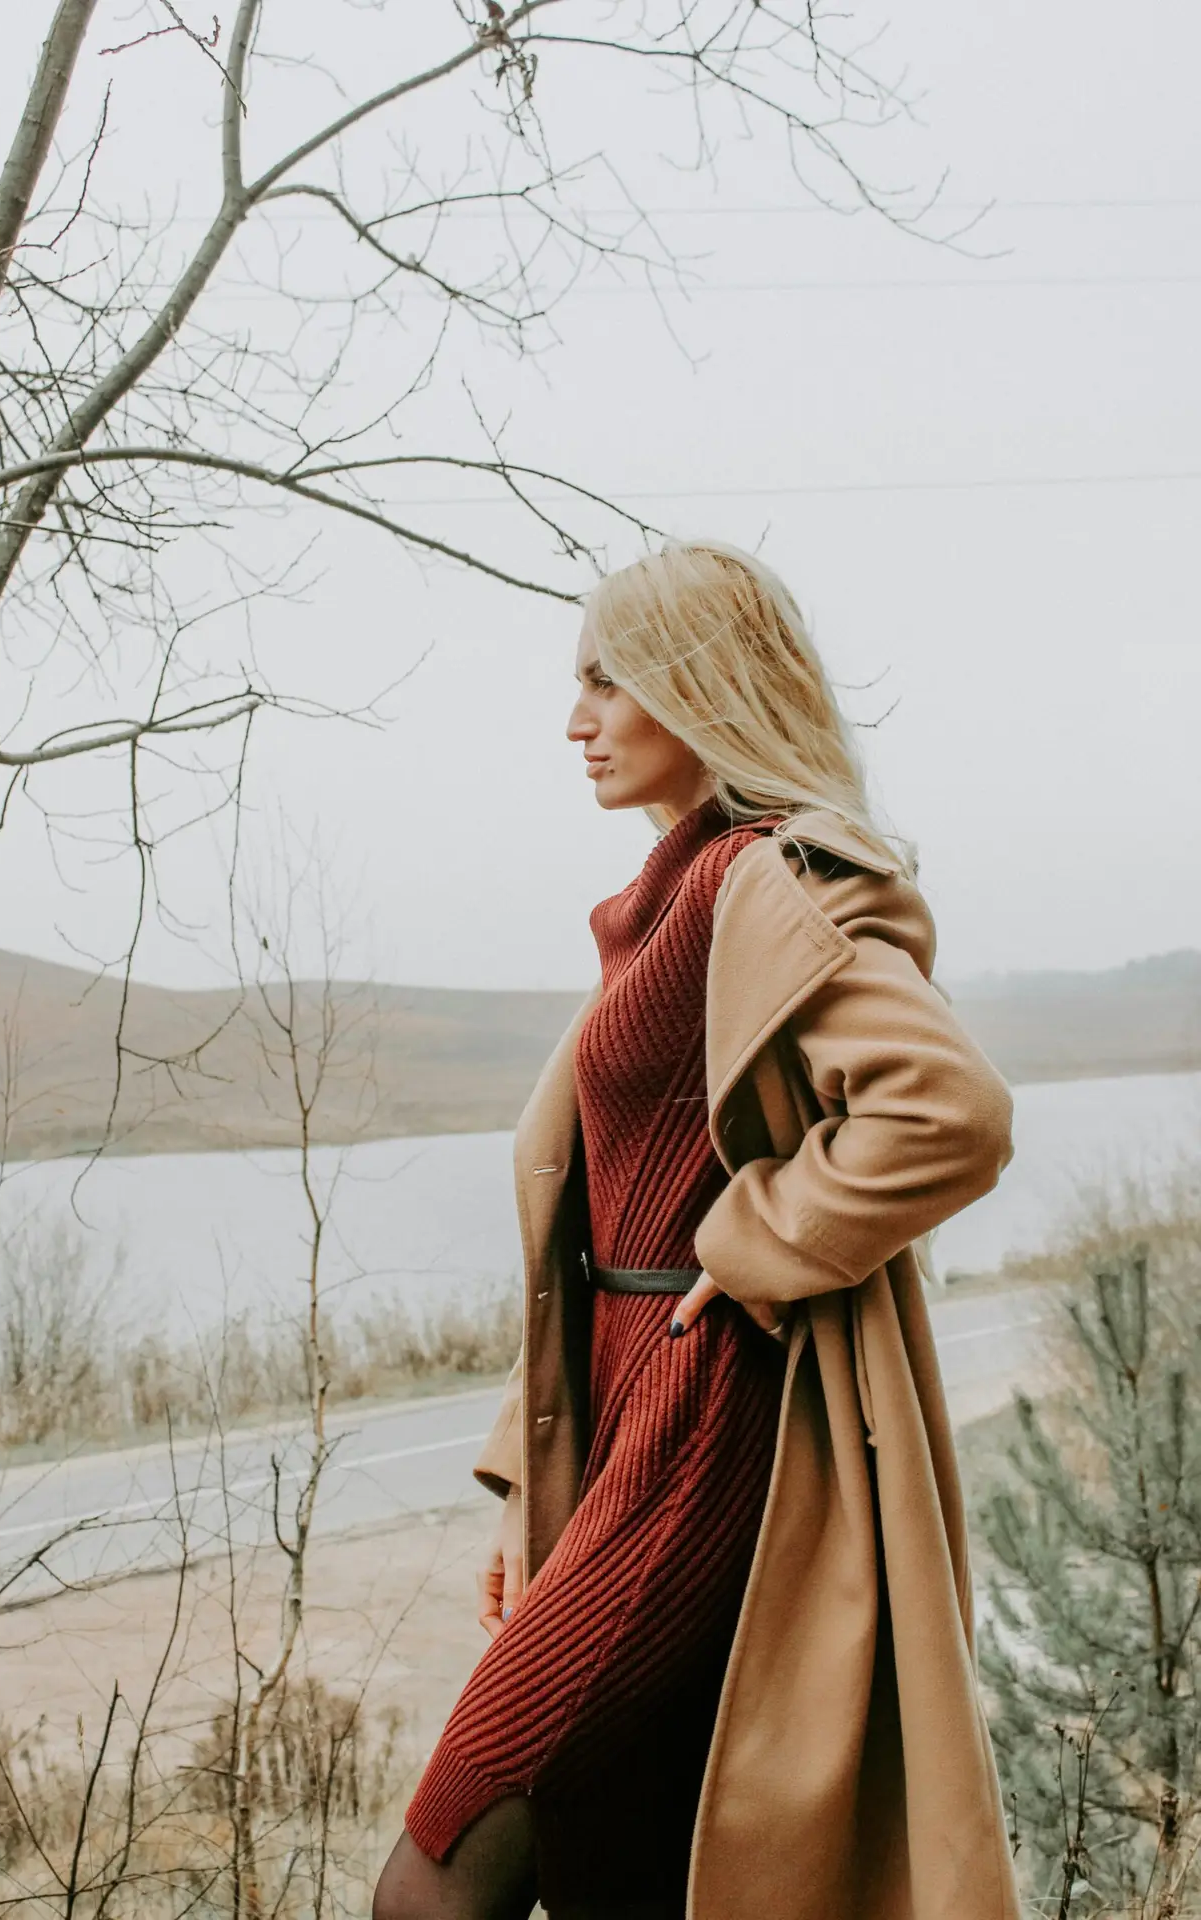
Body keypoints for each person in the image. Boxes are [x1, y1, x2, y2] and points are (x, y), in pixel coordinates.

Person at [373, 541, 1021, 1920]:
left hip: (702, 1434)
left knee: (434, 1885)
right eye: (578, 684)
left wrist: (752, 1244)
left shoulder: (759, 880)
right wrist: (521, 1469)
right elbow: (604, 1216)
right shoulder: (670, 902)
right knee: (630, 1866)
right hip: (624, 1433)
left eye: (610, 681)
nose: (577, 720)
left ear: (703, 686)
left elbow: (949, 1112)